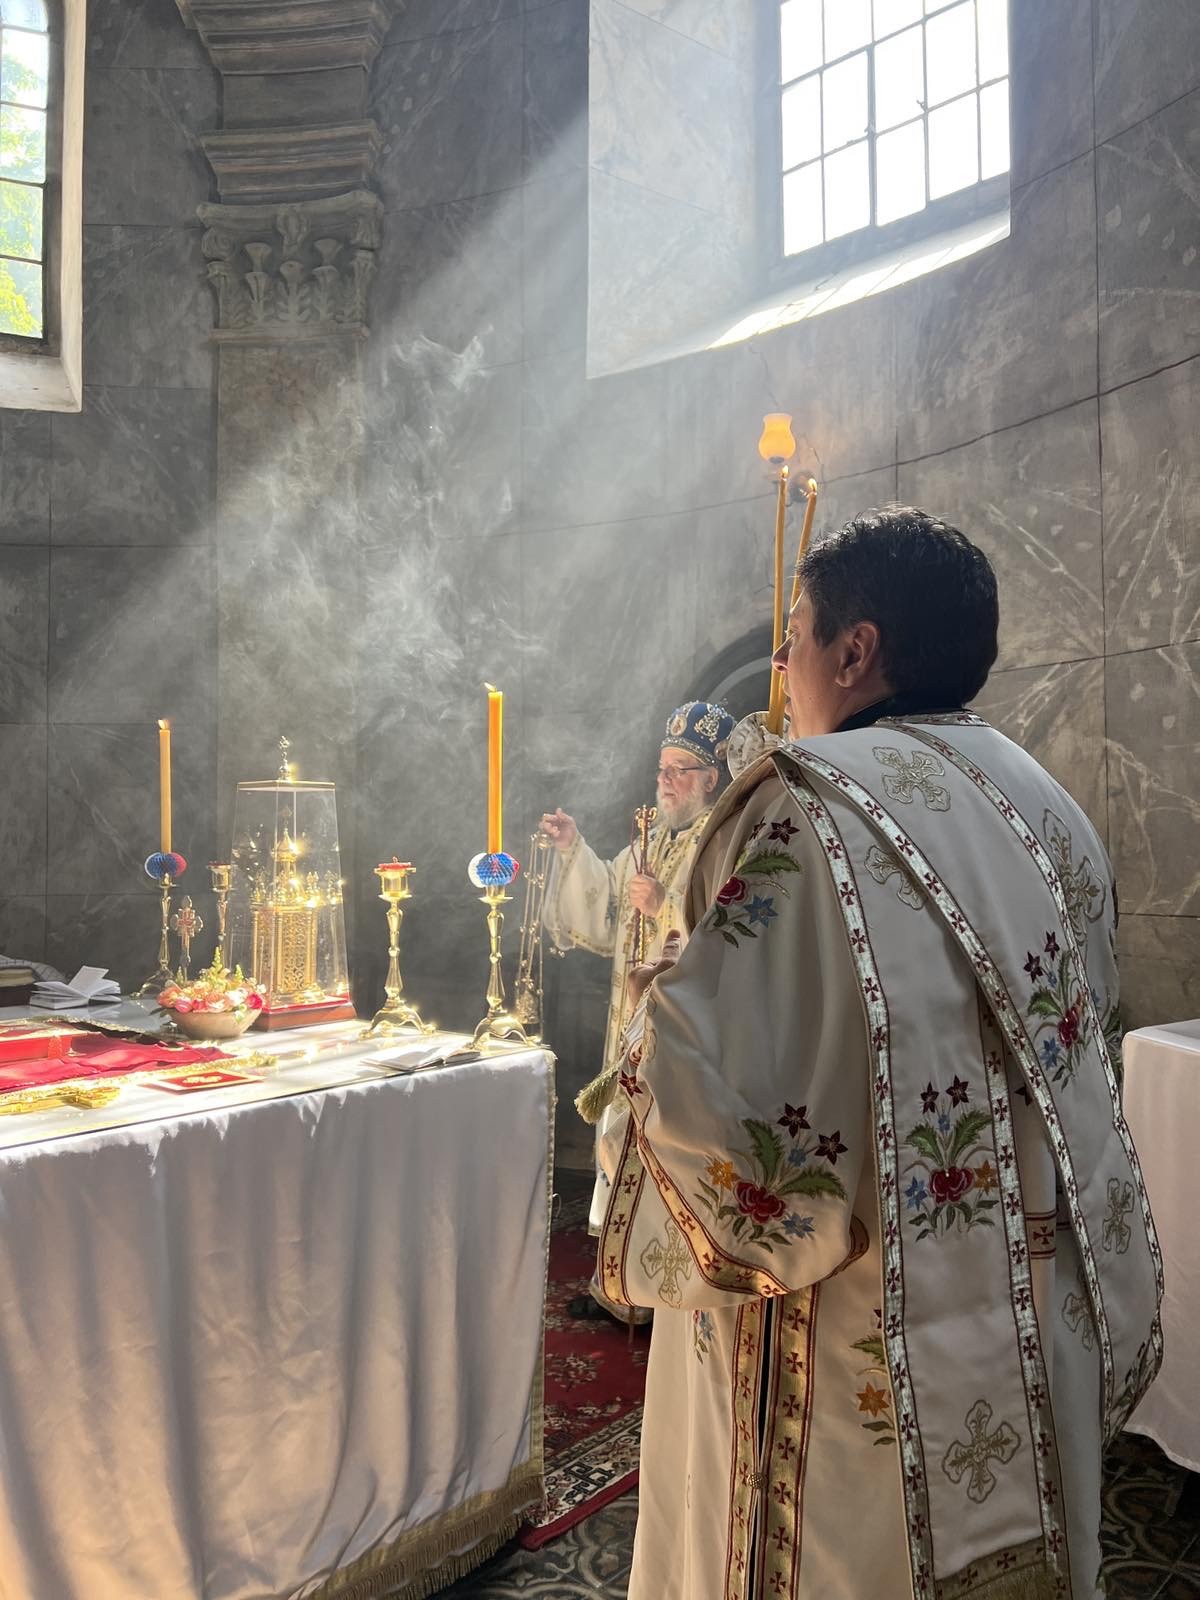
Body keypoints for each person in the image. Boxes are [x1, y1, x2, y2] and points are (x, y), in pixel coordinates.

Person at [595, 509, 1161, 1599]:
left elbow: (726, 1119)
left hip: (856, 1335)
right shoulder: (1048, 804)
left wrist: (651, 1021)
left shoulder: (802, 808)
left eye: (796, 631)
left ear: (855, 651)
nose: (782, 659)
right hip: (1033, 1303)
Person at [541, 701, 734, 1321]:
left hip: (679, 1033)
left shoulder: (721, 840)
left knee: (657, 1146)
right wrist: (572, 849)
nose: (666, 781)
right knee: (618, 1140)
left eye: (680, 770)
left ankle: (661, 1297)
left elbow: (727, 932)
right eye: (662, 768)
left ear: (710, 779)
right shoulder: (652, 839)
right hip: (626, 1027)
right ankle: (620, 1289)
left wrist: (663, 907)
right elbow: (604, 901)